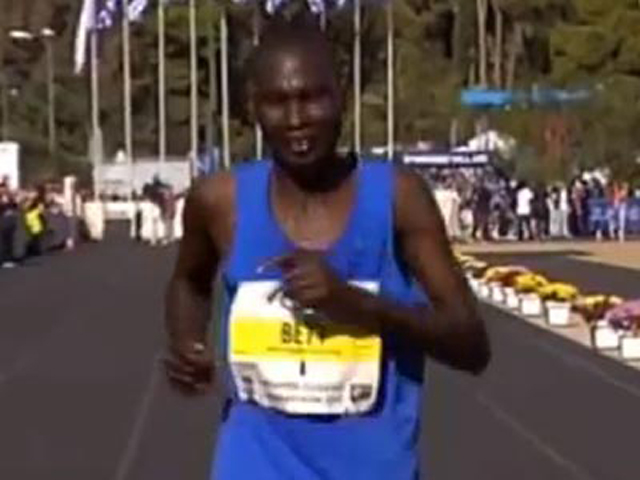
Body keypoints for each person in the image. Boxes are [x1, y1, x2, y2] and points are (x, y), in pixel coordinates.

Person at [164, 15, 490, 480]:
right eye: (277, 102)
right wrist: (187, 342)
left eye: (312, 97)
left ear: (342, 96)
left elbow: (472, 345)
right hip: (255, 463)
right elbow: (189, 281)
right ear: (253, 108)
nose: (297, 119)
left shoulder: (398, 197)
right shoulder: (220, 201)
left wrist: (359, 306)